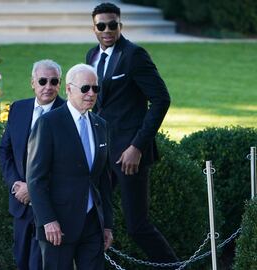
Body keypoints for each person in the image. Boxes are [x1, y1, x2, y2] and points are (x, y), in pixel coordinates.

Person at [86, 2, 178, 266]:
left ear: (120, 26)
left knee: (137, 226)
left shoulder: (134, 55)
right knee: (94, 216)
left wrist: (137, 146)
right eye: (101, 25)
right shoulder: (91, 55)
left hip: (129, 156)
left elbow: (161, 100)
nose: (107, 30)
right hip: (100, 152)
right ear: (93, 28)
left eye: (112, 25)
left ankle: (175, 267)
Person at [26, 64, 113, 270]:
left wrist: (107, 224)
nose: (91, 94)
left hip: (93, 225)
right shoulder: (49, 123)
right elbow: (36, 179)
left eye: (95, 88)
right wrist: (48, 220)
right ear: (68, 89)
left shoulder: (101, 125)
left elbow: (104, 180)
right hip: (57, 226)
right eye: (85, 88)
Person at [0, 59, 65, 270]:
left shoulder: (68, 114)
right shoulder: (18, 109)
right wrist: (15, 184)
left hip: (51, 208)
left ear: (60, 84)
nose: (48, 86)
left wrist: (33, 190)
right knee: (21, 261)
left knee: (41, 264)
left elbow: (67, 165)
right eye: (42, 81)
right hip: (20, 204)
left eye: (53, 81)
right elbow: (5, 151)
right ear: (32, 83)